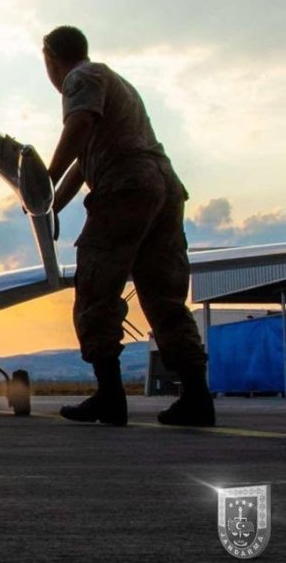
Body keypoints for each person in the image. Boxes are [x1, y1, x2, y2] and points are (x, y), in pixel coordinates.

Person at [41, 26, 214, 427]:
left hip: (125, 187)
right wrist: (49, 207)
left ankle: (110, 396)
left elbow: (78, 126)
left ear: (50, 58)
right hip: (162, 187)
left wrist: (44, 178)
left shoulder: (80, 79)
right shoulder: (116, 84)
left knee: (95, 291)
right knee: (164, 296)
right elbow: (84, 164)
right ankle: (197, 398)